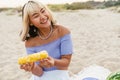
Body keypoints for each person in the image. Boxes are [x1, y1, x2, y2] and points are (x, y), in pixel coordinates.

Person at [19, 0, 73, 80]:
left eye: (43, 11)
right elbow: (40, 73)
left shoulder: (63, 32)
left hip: (61, 76)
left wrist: (54, 62)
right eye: (36, 16)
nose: (43, 17)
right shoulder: (30, 43)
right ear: (30, 22)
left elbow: (66, 63)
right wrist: (32, 67)